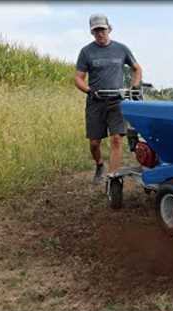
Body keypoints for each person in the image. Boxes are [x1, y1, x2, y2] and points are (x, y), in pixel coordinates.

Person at [75, 14, 142, 184]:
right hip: (95, 101)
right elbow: (78, 78)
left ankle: (113, 178)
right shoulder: (86, 52)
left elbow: (137, 68)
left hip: (117, 101)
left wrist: (133, 87)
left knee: (116, 139)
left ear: (109, 29)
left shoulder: (121, 49)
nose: (100, 33)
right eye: (96, 30)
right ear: (92, 32)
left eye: (102, 29)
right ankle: (99, 164)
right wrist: (89, 91)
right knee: (94, 143)